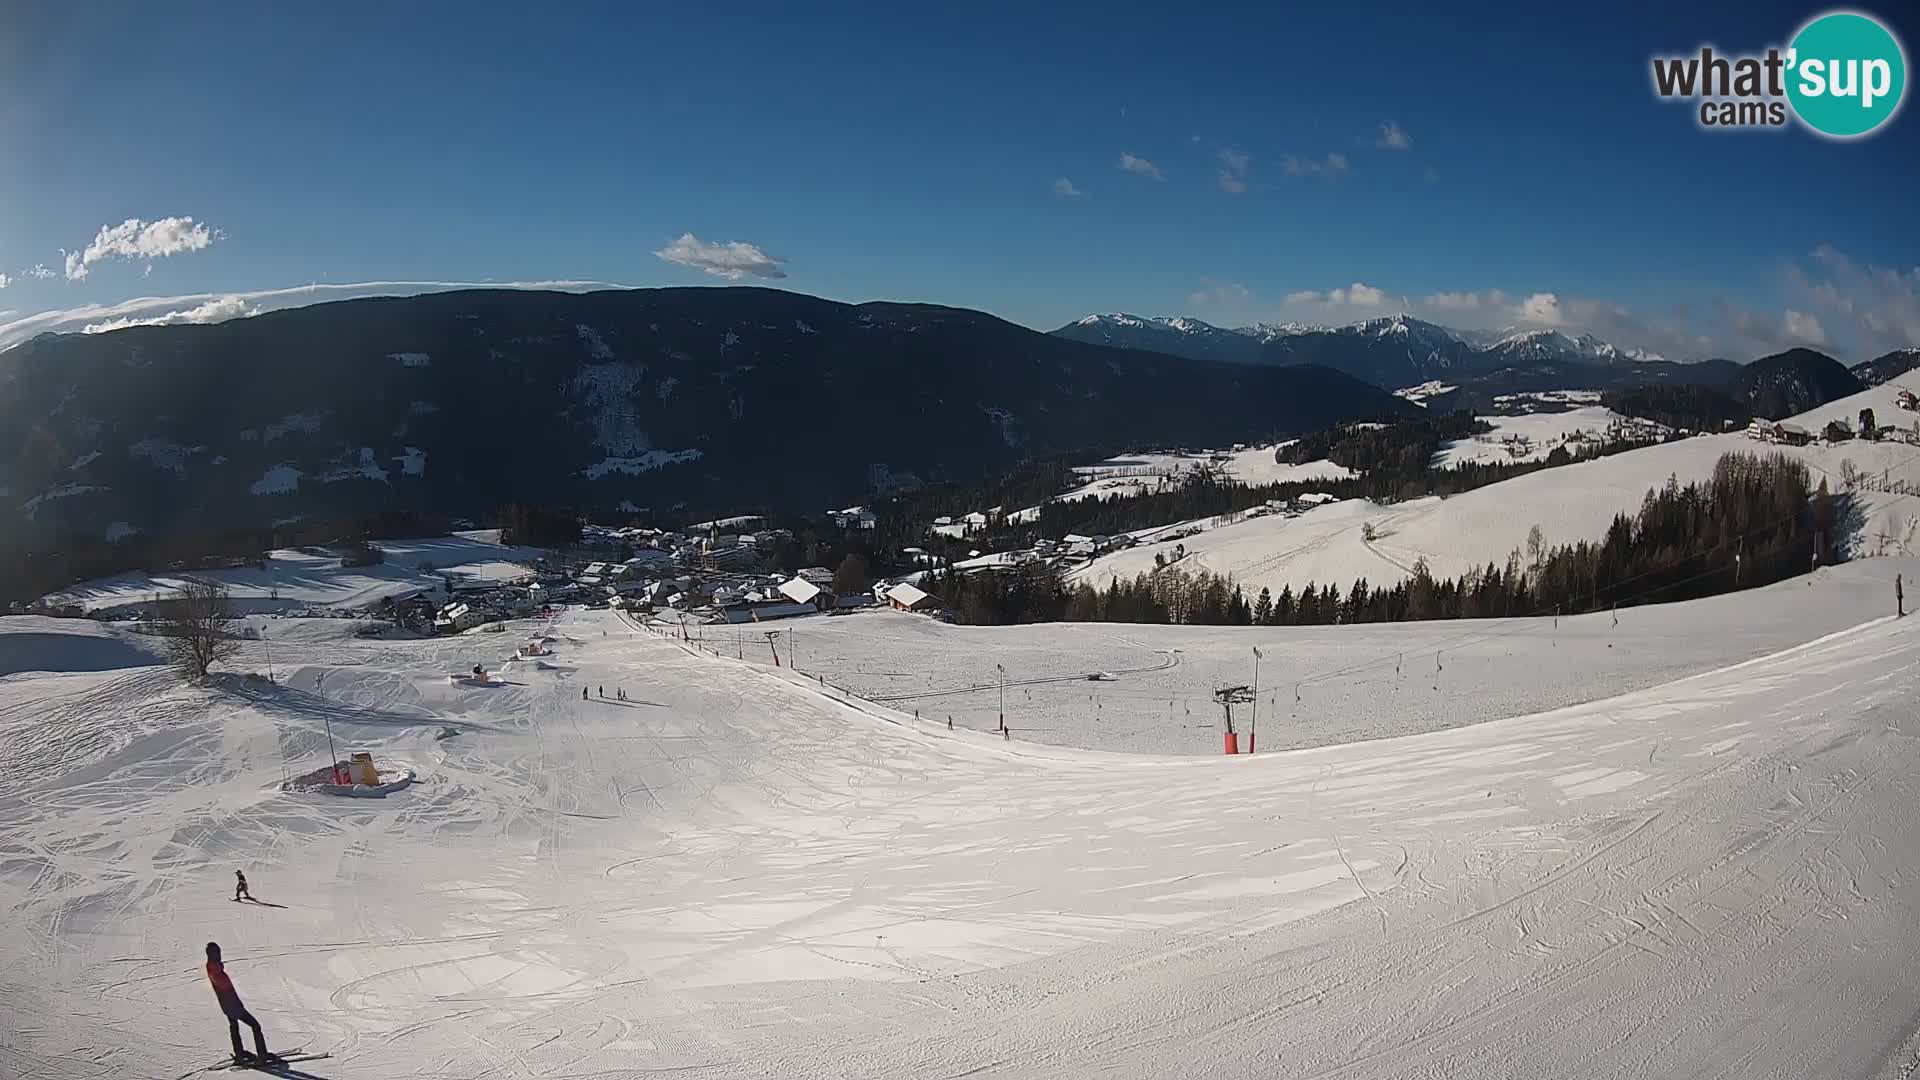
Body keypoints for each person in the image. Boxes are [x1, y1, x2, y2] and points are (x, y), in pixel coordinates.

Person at [205, 942, 272, 1063]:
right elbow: (225, 987)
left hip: (226, 1006)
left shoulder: (211, 967)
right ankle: (262, 1055)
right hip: (233, 1006)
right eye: (218, 953)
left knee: (234, 1027)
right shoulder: (216, 970)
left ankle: (239, 1053)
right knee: (255, 1026)